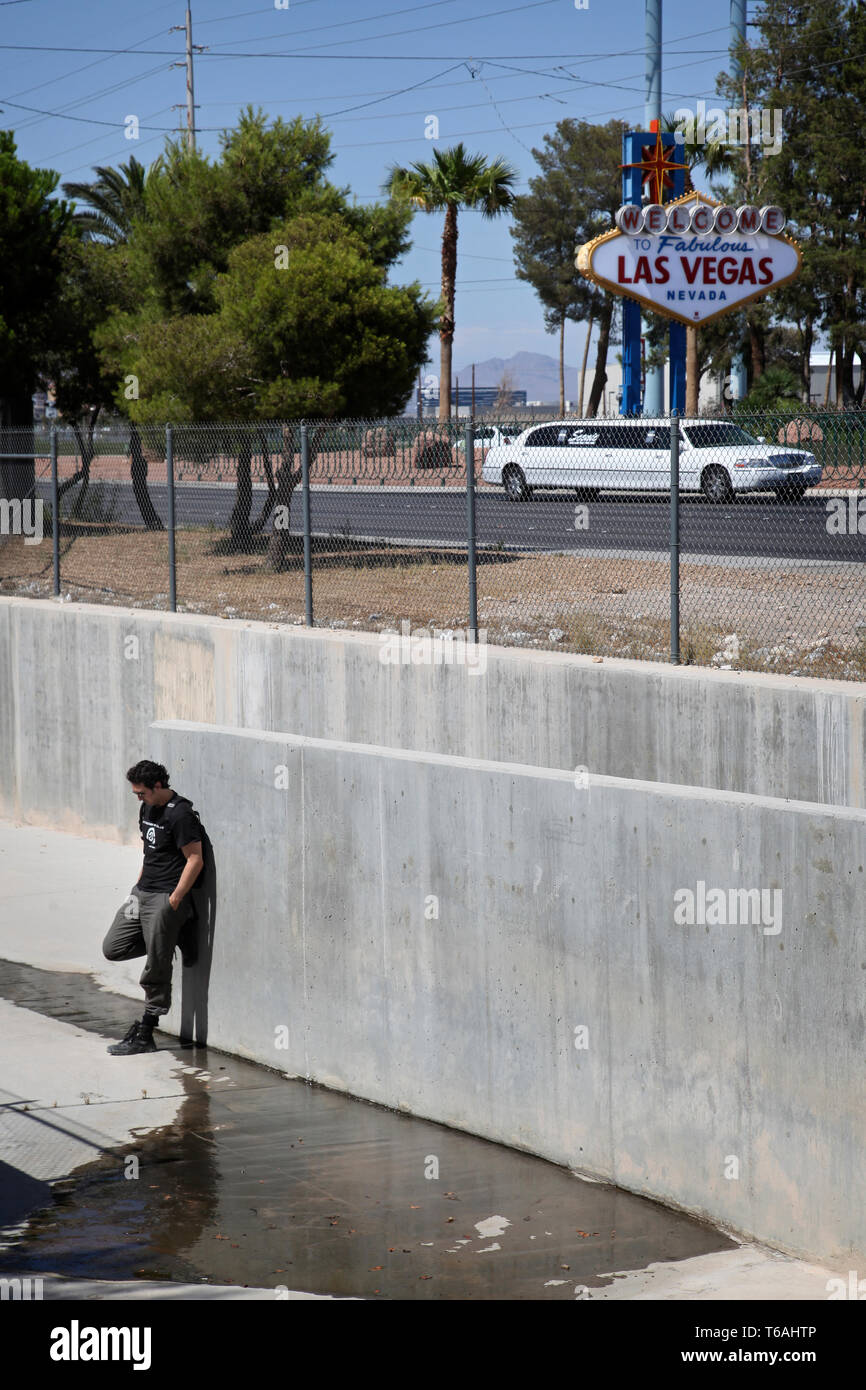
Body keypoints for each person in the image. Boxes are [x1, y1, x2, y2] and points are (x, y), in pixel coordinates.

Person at [103, 760, 205, 1056]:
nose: (138, 798)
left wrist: (174, 901)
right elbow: (150, 853)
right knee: (113, 947)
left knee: (156, 965)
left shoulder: (181, 814)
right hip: (142, 891)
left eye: (141, 793)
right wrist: (136, 888)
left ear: (158, 786)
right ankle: (176, 934)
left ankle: (146, 1031)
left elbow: (195, 859)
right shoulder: (147, 808)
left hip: (165, 896)